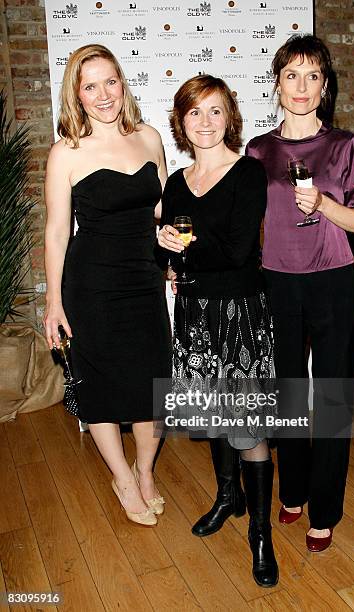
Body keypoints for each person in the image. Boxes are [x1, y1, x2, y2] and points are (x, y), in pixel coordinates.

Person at [246, 34, 354, 552]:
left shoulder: (346, 146)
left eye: (313, 76)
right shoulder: (259, 151)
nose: (302, 87)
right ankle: (293, 487)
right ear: (277, 85)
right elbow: (243, 225)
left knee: (329, 399)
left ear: (325, 88)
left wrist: (322, 202)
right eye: (291, 76)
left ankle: (323, 507)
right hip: (276, 281)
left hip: (332, 283)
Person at [157, 74, 278, 587]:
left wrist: (183, 247)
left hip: (241, 312)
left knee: (247, 425)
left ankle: (260, 532)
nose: (204, 122)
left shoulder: (249, 173)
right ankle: (227, 497)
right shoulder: (176, 183)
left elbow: (235, 251)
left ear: (229, 116)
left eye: (214, 111)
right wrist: (165, 250)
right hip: (196, 314)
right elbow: (168, 252)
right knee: (212, 411)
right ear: (181, 123)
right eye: (193, 112)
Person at [44, 44, 171, 526]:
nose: (103, 94)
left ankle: (145, 472)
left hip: (143, 278)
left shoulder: (149, 137)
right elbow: (57, 232)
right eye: (90, 85)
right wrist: (54, 301)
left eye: (110, 81)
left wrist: (177, 243)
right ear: (76, 95)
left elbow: (160, 210)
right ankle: (122, 476)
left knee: (153, 385)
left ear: (123, 83)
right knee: (99, 385)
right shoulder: (66, 152)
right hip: (90, 285)